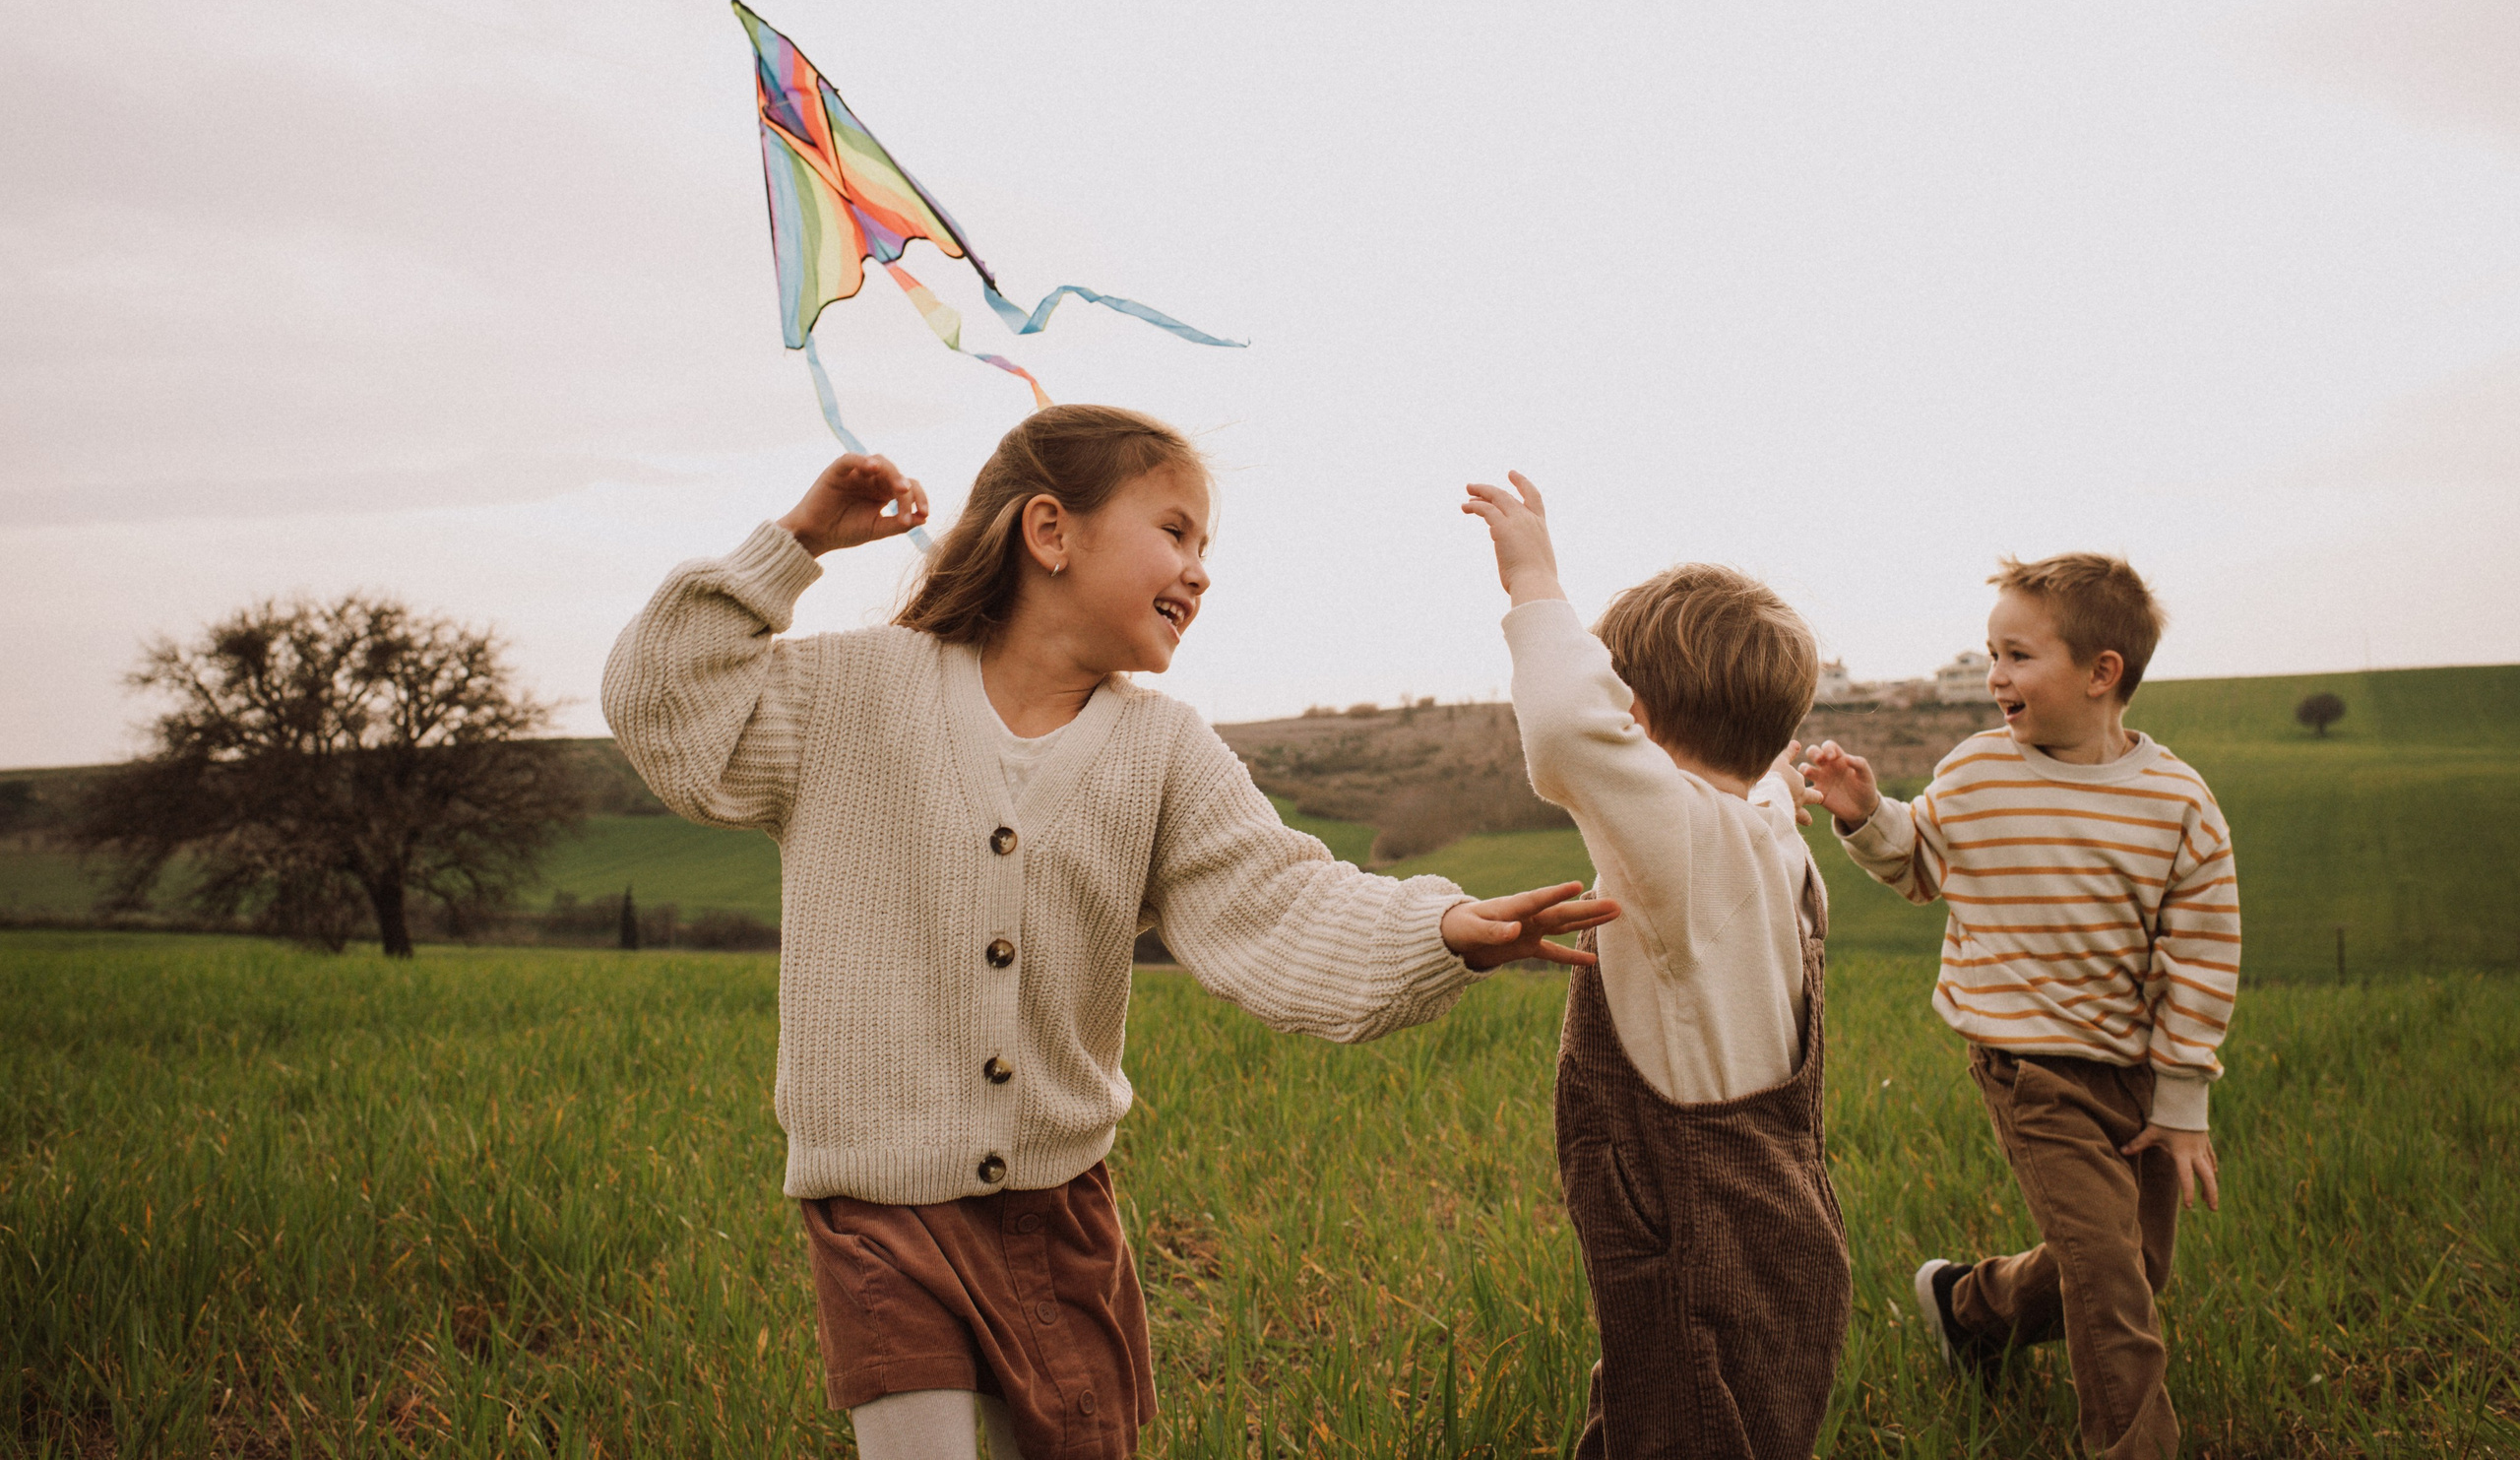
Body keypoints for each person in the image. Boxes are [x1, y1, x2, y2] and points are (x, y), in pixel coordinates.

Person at [602, 406, 1615, 1460]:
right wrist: (793, 544)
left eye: (1205, 546)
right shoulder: (844, 696)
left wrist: (1442, 925)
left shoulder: (1161, 750)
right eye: (1176, 532)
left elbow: (1279, 901)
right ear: (1051, 532)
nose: (1200, 570)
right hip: (878, 1207)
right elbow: (663, 706)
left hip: (1057, 1216)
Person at [1801, 553, 2237, 1460]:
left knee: (2136, 1266)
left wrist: (2184, 1099)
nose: (1995, 675)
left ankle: (1971, 1309)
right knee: (2110, 1279)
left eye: (2017, 655)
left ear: (2100, 671)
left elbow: (2202, 955)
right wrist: (1864, 810)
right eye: (1990, 653)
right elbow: (1919, 864)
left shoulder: (2178, 804)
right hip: (2027, 1066)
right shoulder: (1977, 772)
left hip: (2139, 1071)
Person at [1461, 473, 1850, 1460]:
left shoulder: (1679, 840)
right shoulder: (1770, 834)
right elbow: (1754, 779)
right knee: (1677, 1399)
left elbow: (1563, 731)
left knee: (1685, 1418)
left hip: (1692, 1220)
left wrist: (1534, 582)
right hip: (1783, 1206)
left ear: (1632, 715)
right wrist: (1774, 769)